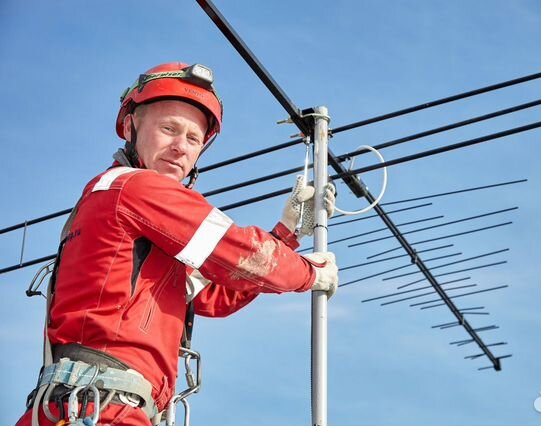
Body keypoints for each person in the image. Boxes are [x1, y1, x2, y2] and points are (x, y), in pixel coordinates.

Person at [16, 62, 338, 426]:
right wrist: (312, 272)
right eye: (168, 129)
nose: (179, 148)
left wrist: (287, 233)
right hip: (103, 410)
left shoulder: (131, 217)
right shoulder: (136, 187)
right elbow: (241, 252)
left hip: (90, 407)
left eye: (193, 139)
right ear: (131, 127)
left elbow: (213, 294)